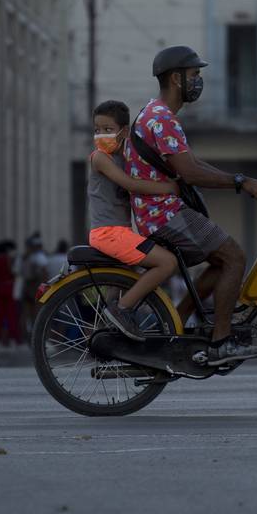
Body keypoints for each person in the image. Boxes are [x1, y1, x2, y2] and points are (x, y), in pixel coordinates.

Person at [123, 45, 257, 365]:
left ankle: (176, 322)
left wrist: (242, 180)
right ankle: (221, 342)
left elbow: (191, 163)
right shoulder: (162, 119)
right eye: (194, 75)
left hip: (159, 214)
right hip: (166, 215)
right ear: (175, 79)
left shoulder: (154, 113)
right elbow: (190, 173)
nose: (198, 81)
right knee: (234, 257)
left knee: (220, 263)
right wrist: (240, 182)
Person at [85, 100, 184, 340]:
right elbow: (130, 184)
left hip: (120, 233)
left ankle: (107, 332)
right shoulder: (100, 158)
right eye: (97, 129)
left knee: (118, 286)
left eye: (108, 129)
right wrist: (169, 188)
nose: (101, 135)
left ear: (124, 132)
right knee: (167, 263)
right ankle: (122, 310)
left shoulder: (125, 157)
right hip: (108, 233)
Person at [0, 240, 23, 345]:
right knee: (11, 314)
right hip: (9, 287)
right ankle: (13, 337)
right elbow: (12, 271)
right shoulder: (8, 258)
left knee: (0, 314)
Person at [20, 234, 48, 340]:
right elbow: (44, 272)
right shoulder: (39, 257)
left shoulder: (24, 257)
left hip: (26, 286)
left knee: (25, 313)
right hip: (35, 286)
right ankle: (36, 335)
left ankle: (25, 336)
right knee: (37, 312)